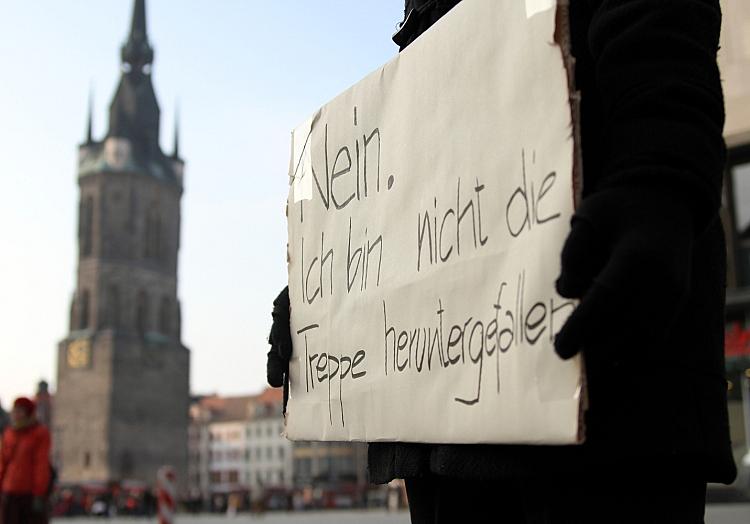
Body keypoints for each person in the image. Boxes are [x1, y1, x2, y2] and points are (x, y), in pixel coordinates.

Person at [268, 0, 736, 521]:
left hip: (599, 373)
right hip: (448, 418)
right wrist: (328, 297)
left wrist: (661, 174)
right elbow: (427, 162)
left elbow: (654, 24)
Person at [0, 397, 52, 524]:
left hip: (29, 493)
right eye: (15, 411)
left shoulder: (39, 434)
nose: (16, 414)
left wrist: (39, 493)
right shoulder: (9, 434)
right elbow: (3, 462)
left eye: (19, 411)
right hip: (9, 491)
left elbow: (41, 464)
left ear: (28, 413)